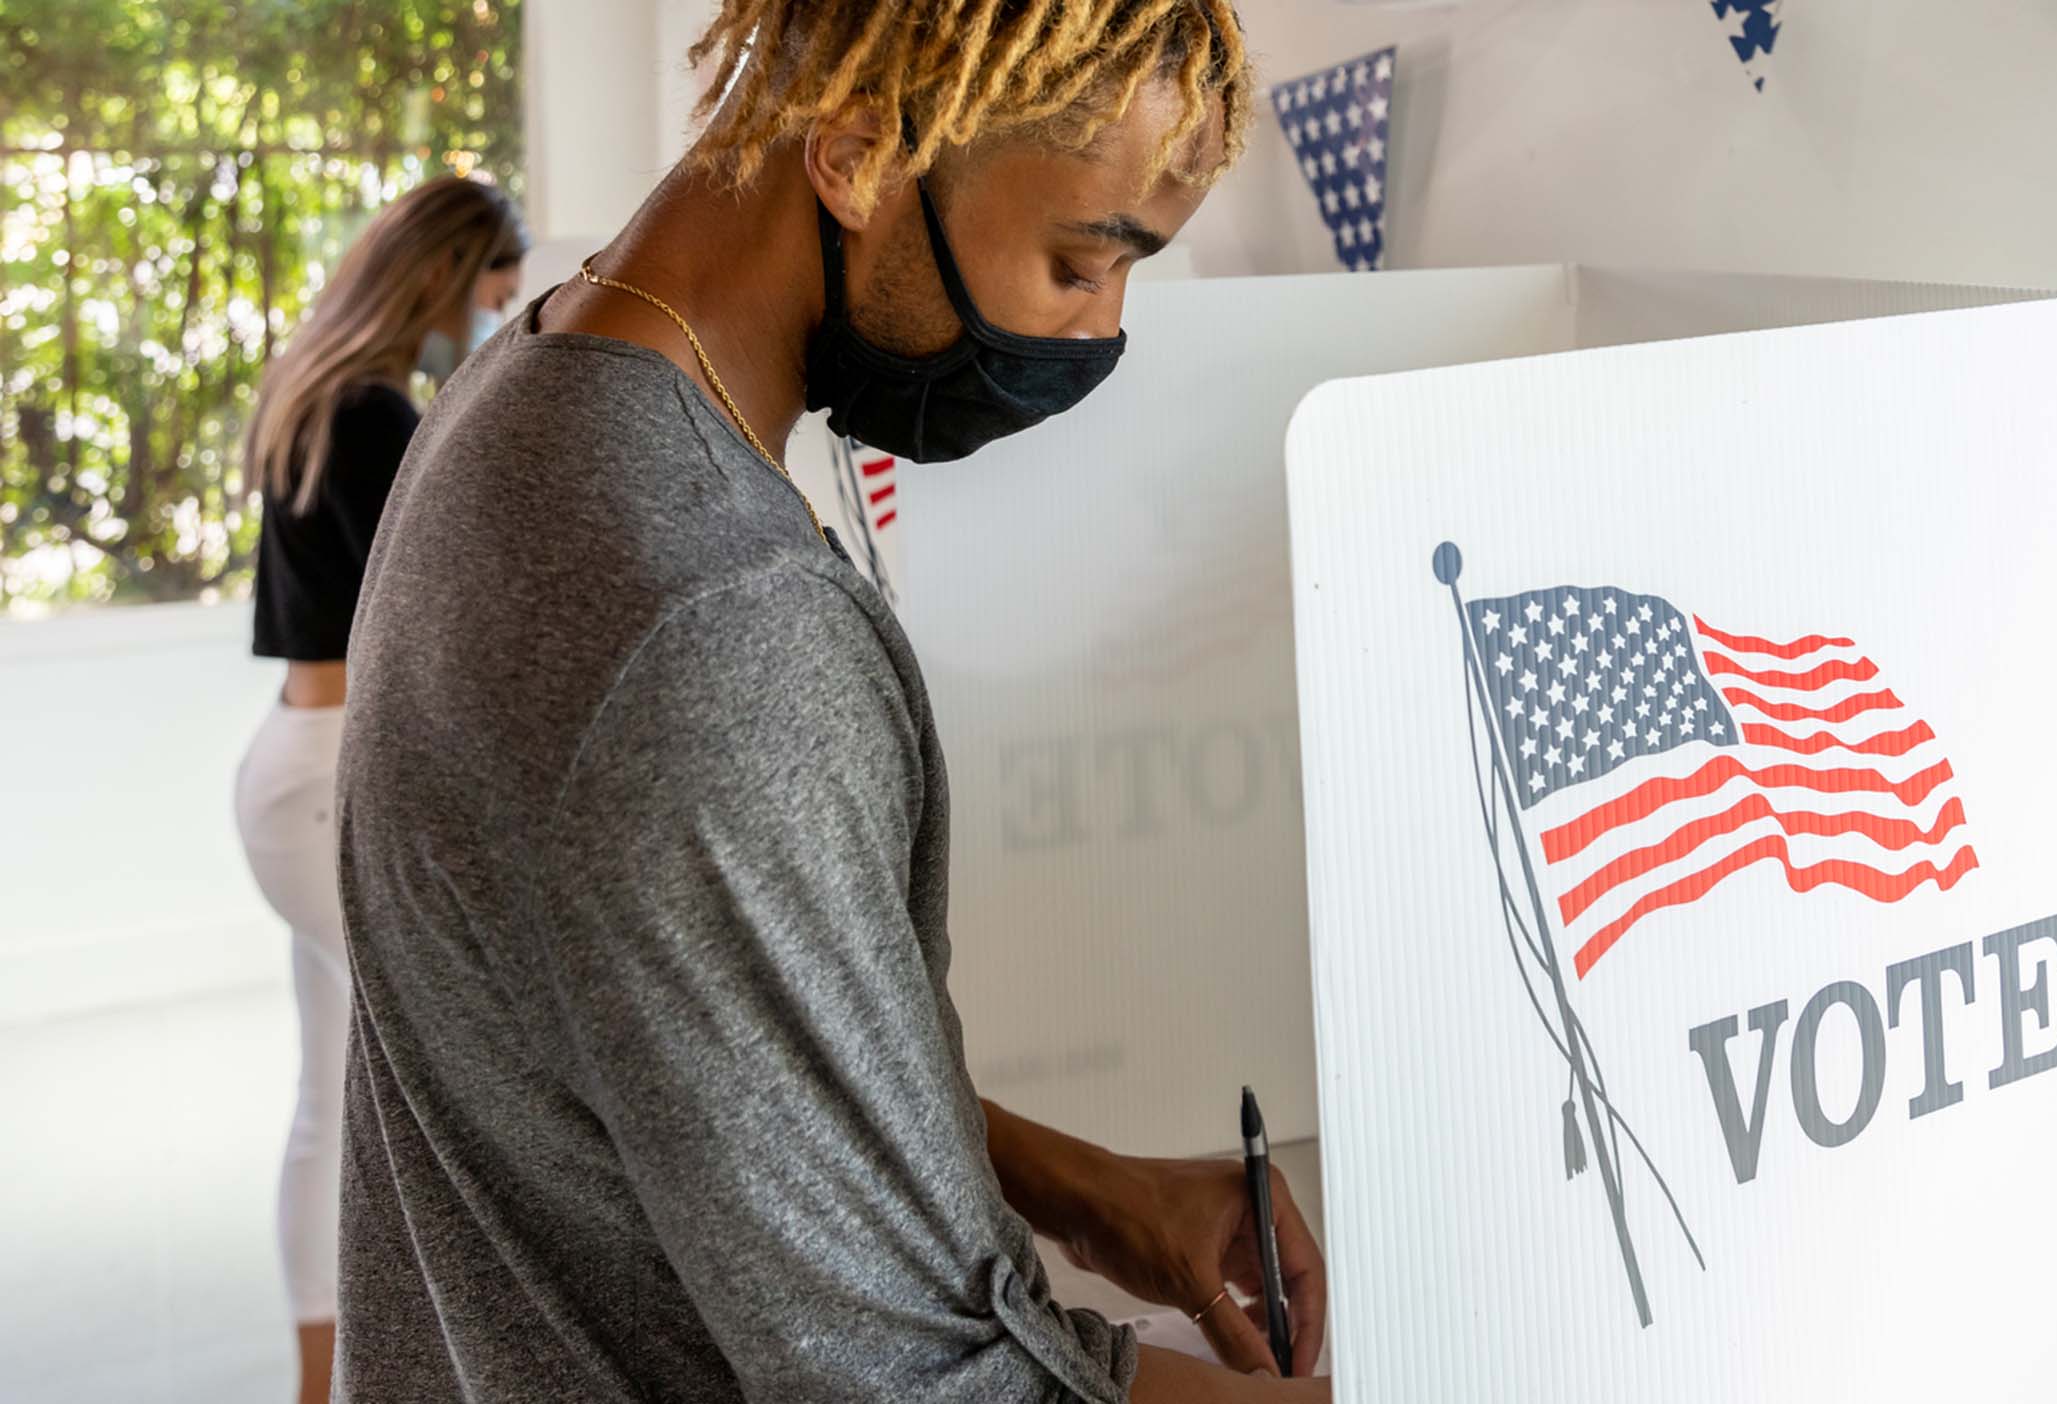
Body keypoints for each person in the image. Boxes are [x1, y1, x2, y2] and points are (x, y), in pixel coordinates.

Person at [332, 3, 1327, 1402]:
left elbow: (698, 1067)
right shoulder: (720, 632)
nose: (1099, 331)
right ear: (859, 155)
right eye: (1079, 260)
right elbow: (921, 1385)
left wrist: (1093, 1193)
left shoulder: (521, 395)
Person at [231, 173, 526, 1404]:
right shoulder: (375, 419)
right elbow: (441, 615)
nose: (495, 321)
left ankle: (325, 1382)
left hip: (295, 765)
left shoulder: (322, 392)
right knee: (437, 1086)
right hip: (334, 776)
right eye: (494, 294)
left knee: (331, 1095)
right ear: (445, 277)